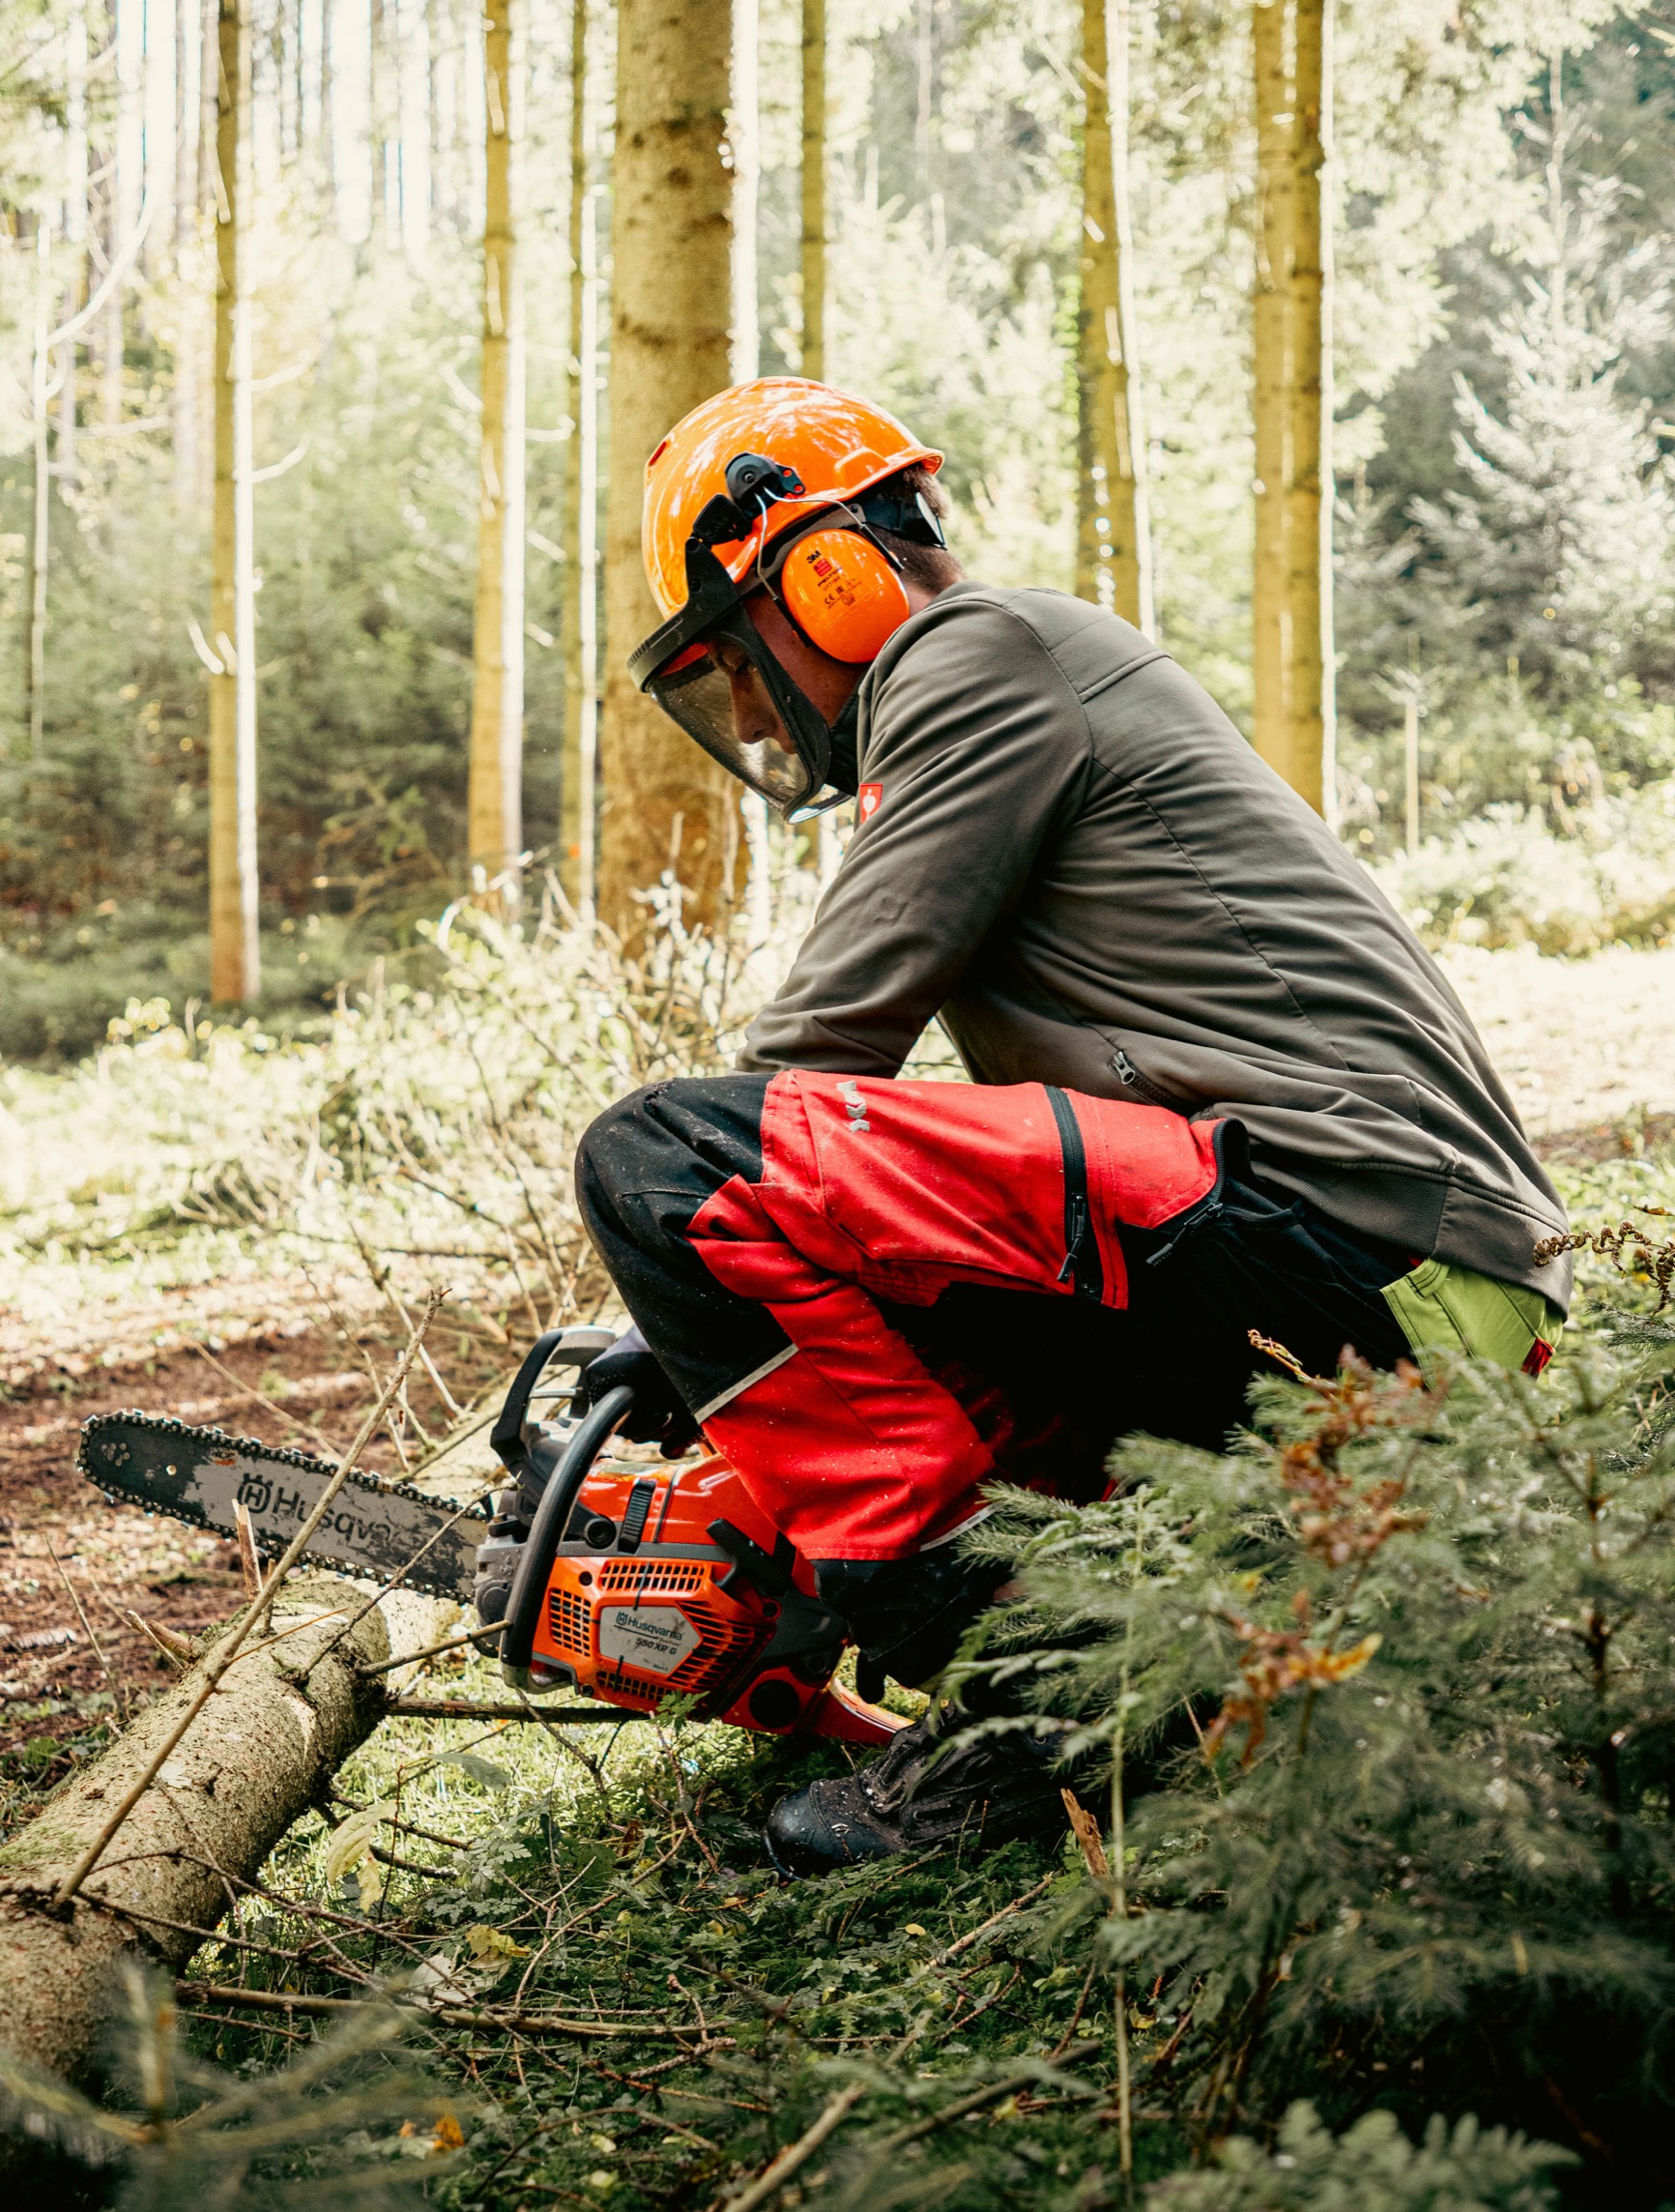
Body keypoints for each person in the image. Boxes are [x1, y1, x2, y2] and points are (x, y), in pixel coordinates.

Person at [573, 377, 1571, 1877]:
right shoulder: (1021, 675)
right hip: (1386, 1275)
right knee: (884, 1296)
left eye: (734, 661)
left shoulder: (972, 656)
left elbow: (819, 1054)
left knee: (668, 1161)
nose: (747, 709)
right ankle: (1113, 1676)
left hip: (1346, 1233)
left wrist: (693, 1313)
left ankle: (1013, 1703)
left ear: (826, 577)